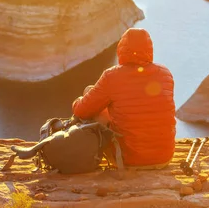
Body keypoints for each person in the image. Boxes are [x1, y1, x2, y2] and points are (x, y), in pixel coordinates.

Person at [72, 28, 176, 169]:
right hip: (164, 158)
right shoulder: (165, 73)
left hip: (128, 160)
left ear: (121, 48)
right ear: (150, 49)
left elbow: (81, 111)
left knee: (90, 92)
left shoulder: (111, 76)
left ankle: (78, 156)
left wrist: (80, 100)